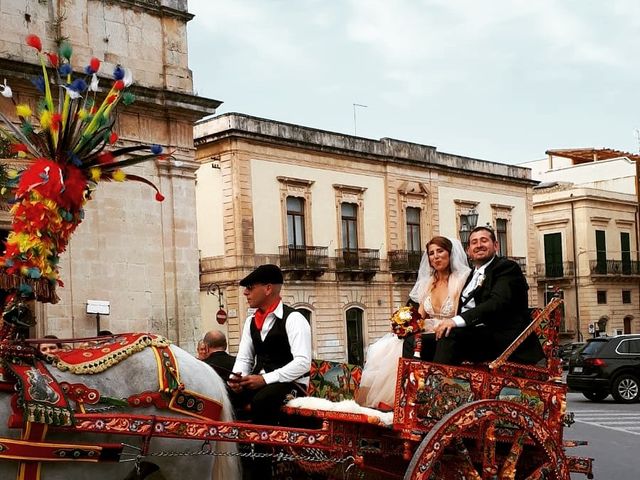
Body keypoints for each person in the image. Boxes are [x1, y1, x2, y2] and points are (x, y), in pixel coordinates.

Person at [359, 236, 469, 408]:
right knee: (387, 346)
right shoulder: (428, 283)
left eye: (440, 251)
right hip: (427, 330)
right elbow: (419, 316)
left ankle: (412, 395)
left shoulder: (460, 281)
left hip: (448, 331)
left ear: (450, 254)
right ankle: (399, 395)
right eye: (431, 253)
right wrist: (406, 324)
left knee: (411, 343)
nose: (436, 257)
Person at [429, 226, 545, 365]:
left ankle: (436, 383)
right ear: (468, 251)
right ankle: (414, 385)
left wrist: (455, 321)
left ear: (495, 246)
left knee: (449, 336)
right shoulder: (470, 275)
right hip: (474, 336)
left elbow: (496, 303)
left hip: (504, 339)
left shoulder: (507, 268)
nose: (479, 245)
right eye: (474, 242)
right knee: (415, 341)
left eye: (484, 241)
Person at [228, 264, 312, 426]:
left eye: (250, 287)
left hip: (292, 385)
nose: (245, 292)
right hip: (260, 382)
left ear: (268, 289)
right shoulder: (250, 321)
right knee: (225, 396)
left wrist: (265, 379)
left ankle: (265, 450)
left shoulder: (294, 319)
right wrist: (236, 379)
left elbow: (302, 363)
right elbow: (245, 358)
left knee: (262, 401)